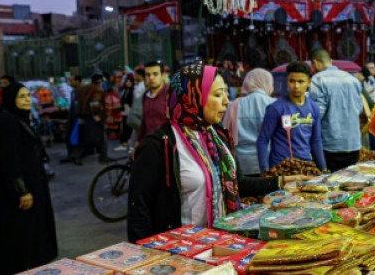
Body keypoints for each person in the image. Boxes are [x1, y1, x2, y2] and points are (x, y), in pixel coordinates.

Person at [127, 63, 305, 242]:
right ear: (193, 97)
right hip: (181, 252)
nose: (226, 101)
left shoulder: (218, 135)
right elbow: (139, 212)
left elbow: (237, 183)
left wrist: (281, 182)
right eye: (218, 95)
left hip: (223, 244)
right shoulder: (158, 145)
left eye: (226, 93)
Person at [0, 83, 57, 274]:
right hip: (19, 190)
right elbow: (8, 160)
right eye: (21, 97)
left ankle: (31, 265)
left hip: (33, 183)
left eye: (28, 96)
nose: (27, 100)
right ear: (11, 100)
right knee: (20, 232)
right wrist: (22, 191)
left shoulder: (20, 119)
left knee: (31, 230)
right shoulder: (7, 121)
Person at [257, 61, 326, 173]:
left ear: (309, 82)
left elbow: (316, 140)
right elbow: (262, 140)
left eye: (301, 81)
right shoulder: (276, 108)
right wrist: (265, 171)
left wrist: (323, 168)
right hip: (281, 168)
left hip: (305, 167)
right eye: (292, 81)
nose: (296, 86)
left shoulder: (314, 108)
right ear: (287, 81)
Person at [308, 49, 363, 172]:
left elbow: (317, 114)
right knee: (350, 184)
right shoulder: (352, 79)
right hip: (353, 144)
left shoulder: (317, 80)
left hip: (330, 146)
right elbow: (359, 109)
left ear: (315, 63)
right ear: (331, 61)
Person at [224, 68, 276, 176]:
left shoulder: (233, 106)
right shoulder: (275, 105)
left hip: (241, 165)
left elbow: (225, 133)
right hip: (269, 162)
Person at [71, 75, 108, 165]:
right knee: (101, 137)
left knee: (84, 138)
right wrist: (96, 115)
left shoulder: (84, 89)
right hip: (92, 117)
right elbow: (95, 103)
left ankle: (75, 155)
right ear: (99, 81)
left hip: (82, 116)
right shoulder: (97, 90)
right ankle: (103, 157)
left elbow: (77, 102)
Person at [136, 60, 169, 142]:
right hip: (149, 144)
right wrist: (138, 142)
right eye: (148, 75)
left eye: (155, 74)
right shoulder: (145, 95)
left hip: (167, 144)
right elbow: (144, 122)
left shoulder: (171, 94)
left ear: (163, 75)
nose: (151, 77)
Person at [116, 74, 137, 151]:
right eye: (127, 81)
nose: (128, 83)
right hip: (125, 112)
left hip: (130, 113)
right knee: (125, 128)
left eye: (130, 81)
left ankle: (126, 143)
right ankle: (124, 143)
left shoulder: (133, 91)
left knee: (128, 128)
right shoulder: (125, 91)